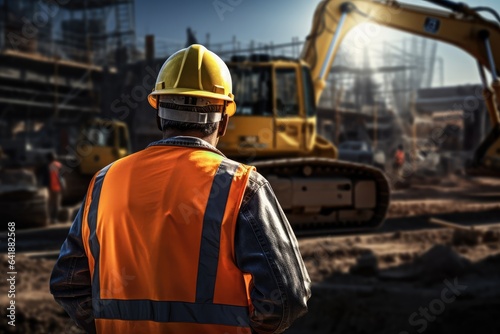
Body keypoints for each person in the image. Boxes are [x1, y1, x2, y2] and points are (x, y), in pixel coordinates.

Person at [50, 44, 311, 334]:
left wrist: (107, 324)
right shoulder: (241, 186)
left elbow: (68, 282)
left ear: (159, 115)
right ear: (223, 122)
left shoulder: (104, 181)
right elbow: (287, 297)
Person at [47, 151, 64, 224]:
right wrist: (63, 185)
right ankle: (55, 218)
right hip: (57, 187)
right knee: (57, 204)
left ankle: (50, 218)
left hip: (51, 188)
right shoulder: (58, 165)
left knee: (51, 203)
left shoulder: (49, 166)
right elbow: (60, 176)